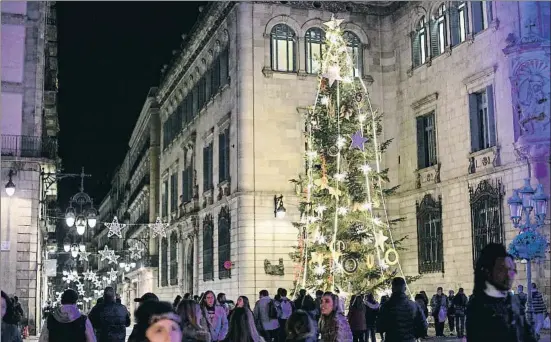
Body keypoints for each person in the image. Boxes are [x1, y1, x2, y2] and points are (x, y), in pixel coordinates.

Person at [466, 243, 537, 342]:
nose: (510, 275)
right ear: (488, 271)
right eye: (502, 269)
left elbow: (526, 333)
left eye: (512, 270)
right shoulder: (477, 306)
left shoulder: (513, 300)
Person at [377, 277, 427, 342]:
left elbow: (380, 327)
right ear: (405, 289)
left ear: (392, 289)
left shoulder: (385, 307)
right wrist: (414, 336)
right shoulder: (414, 306)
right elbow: (423, 326)